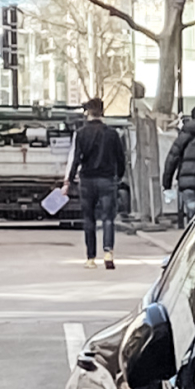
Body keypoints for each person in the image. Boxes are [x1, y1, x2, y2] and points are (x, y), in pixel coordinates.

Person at [64, 98, 128, 269]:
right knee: (108, 219)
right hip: (107, 180)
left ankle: (91, 258)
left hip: (87, 181)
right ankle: (108, 253)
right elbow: (121, 159)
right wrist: (118, 176)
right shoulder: (112, 134)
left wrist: (68, 181)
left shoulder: (81, 133)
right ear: (102, 112)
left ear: (88, 113)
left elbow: (76, 159)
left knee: (89, 219)